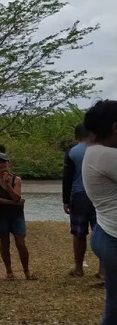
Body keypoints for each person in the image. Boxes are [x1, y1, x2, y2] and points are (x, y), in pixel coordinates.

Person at [82, 100, 117, 325]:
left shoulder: (95, 152)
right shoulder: (105, 155)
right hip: (114, 237)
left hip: (107, 233)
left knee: (114, 307)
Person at [63, 123, 102, 278]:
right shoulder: (100, 149)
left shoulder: (73, 152)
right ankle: (102, 270)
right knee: (101, 231)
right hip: (99, 195)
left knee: (79, 233)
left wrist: (66, 200)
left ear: (77, 136)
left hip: (79, 196)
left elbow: (67, 178)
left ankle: (79, 268)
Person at [0, 153, 36, 280]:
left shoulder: (17, 179)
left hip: (16, 215)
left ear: (8, 163)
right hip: (1, 215)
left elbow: (17, 196)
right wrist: (12, 202)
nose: (1, 165)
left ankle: (26, 271)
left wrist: (8, 185)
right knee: (4, 243)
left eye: (3, 162)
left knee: (21, 242)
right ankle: (9, 271)